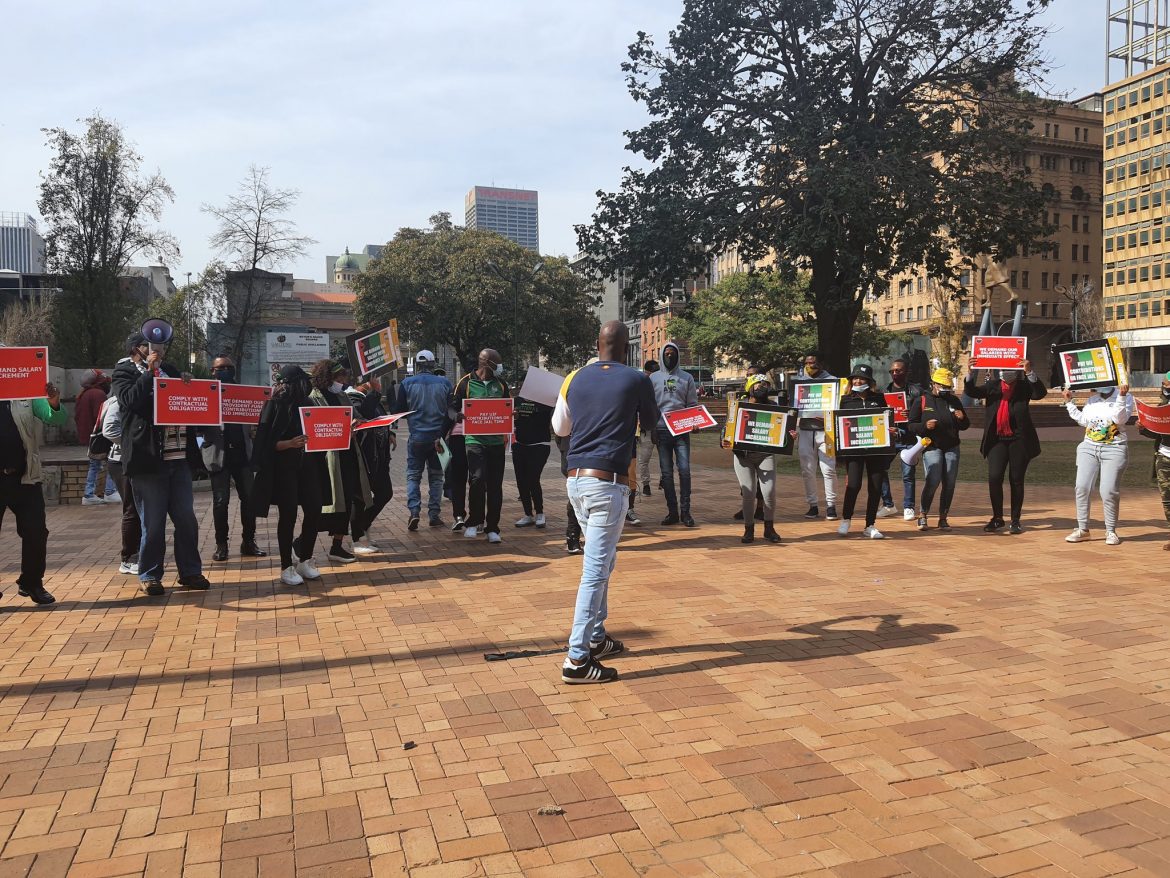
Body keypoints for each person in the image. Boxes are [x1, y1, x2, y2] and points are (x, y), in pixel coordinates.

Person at [554, 320, 658, 683]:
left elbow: (561, 428)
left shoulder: (574, 378)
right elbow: (652, 424)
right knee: (595, 572)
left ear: (596, 344)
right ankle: (577, 659)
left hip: (576, 482)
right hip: (608, 485)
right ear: (626, 349)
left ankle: (596, 638)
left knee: (603, 562)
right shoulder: (637, 379)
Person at [112, 331, 210, 596]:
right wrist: (149, 374)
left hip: (179, 458)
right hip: (149, 461)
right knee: (153, 524)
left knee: (187, 520)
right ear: (137, 349)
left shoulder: (170, 370)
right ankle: (150, 574)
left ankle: (190, 572)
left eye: (162, 345)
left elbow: (191, 401)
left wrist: (188, 384)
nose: (159, 349)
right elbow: (130, 400)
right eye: (151, 345)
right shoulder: (124, 373)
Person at [252, 365, 323, 586]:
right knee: (288, 515)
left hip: (308, 466)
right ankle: (286, 566)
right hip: (283, 469)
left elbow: (320, 430)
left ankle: (305, 560)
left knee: (314, 509)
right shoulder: (274, 404)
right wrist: (289, 444)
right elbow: (264, 443)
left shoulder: (309, 403)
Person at [0, 381, 67, 605]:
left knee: (36, 532)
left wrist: (53, 401)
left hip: (24, 477)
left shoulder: (26, 391)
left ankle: (32, 583)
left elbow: (55, 418)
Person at [965, 359, 1047, 534]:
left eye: (1009, 369)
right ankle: (997, 518)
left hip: (1019, 440)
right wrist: (971, 373)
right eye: (1003, 369)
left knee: (1016, 479)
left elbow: (1039, 393)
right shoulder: (992, 386)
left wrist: (1029, 372)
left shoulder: (1024, 387)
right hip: (997, 440)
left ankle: (1015, 520)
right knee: (994, 477)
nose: (1006, 372)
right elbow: (972, 392)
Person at [202, 356, 265, 562]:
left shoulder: (244, 393)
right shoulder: (206, 392)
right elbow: (196, 423)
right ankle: (221, 545)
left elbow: (257, 417)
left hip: (242, 454)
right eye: (218, 369)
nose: (220, 372)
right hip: (218, 456)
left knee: (250, 500)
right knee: (221, 502)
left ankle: (249, 541)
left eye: (225, 368)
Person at [308, 359, 372, 563]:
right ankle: (301, 543)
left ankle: (337, 545)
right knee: (332, 503)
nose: (343, 381)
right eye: (339, 377)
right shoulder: (313, 398)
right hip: (329, 457)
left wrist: (358, 422)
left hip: (349, 454)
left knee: (350, 500)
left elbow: (357, 416)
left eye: (344, 376)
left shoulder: (343, 396)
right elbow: (314, 425)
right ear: (327, 377)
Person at [450, 349, 509, 543]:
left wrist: (511, 416)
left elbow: (507, 407)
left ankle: (493, 527)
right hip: (474, 441)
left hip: (496, 442)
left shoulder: (501, 385)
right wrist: (456, 416)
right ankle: (474, 521)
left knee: (494, 485)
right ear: (486, 363)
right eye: (498, 363)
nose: (500, 367)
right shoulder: (465, 383)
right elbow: (451, 407)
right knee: (477, 479)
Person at [1064, 383, 1132, 545]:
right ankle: (1082, 529)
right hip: (1089, 447)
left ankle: (1111, 531)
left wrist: (1121, 397)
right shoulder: (1093, 400)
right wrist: (1069, 403)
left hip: (1114, 448)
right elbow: (1084, 421)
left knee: (1108, 491)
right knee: (1082, 487)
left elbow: (1119, 419)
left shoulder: (1126, 397)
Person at [837, 364, 899, 539]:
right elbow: (840, 425)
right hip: (855, 450)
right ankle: (846, 520)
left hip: (876, 449)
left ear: (869, 381)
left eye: (862, 378)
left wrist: (891, 429)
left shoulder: (879, 398)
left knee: (876, 487)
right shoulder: (845, 400)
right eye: (855, 378)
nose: (858, 381)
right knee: (854, 485)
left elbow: (886, 420)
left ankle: (870, 525)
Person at [395, 349, 452, 531]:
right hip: (438, 439)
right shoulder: (445, 383)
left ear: (418, 365)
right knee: (436, 477)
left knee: (413, 475)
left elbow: (401, 410)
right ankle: (434, 515)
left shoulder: (406, 383)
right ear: (432, 363)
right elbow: (451, 411)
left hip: (416, 437)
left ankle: (414, 511)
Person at [906, 368, 969, 531]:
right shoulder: (922, 400)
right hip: (932, 446)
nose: (945, 389)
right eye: (942, 385)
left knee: (949, 483)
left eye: (947, 386)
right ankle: (923, 515)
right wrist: (924, 426)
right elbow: (911, 425)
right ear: (933, 384)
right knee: (933, 480)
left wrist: (962, 419)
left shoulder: (954, 400)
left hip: (952, 447)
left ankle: (943, 518)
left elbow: (965, 425)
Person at [722, 374, 781, 544]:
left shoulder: (774, 406)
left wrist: (790, 435)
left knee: (769, 492)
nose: (762, 387)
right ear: (749, 387)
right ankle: (749, 529)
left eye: (765, 384)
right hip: (743, 456)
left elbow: (782, 429)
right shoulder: (738, 407)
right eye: (757, 384)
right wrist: (726, 439)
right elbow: (727, 429)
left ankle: (769, 529)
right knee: (748, 493)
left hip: (765, 454)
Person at [650, 341, 698, 526]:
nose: (670, 357)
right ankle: (672, 512)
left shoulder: (687, 378)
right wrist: (652, 428)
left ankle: (686, 512)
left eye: (673, 354)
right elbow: (651, 406)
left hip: (681, 429)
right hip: (662, 430)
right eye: (667, 354)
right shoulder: (653, 378)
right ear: (662, 356)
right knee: (667, 474)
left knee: (684, 472)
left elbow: (692, 404)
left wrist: (695, 422)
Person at [347, 378, 395, 552]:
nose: (378, 381)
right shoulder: (352, 398)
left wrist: (391, 433)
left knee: (385, 493)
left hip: (378, 457)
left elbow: (379, 418)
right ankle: (356, 538)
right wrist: (374, 392)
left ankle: (363, 525)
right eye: (373, 379)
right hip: (364, 457)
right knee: (359, 498)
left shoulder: (367, 397)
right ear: (363, 381)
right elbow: (363, 418)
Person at [101, 393, 142, 574]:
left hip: (138, 460)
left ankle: (140, 553)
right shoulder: (119, 401)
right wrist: (135, 443)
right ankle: (129, 558)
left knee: (140, 509)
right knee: (131, 509)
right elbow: (109, 429)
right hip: (121, 461)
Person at [795, 352, 838, 520]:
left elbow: (838, 407)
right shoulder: (800, 383)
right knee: (807, 470)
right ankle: (812, 505)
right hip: (805, 430)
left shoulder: (832, 381)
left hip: (826, 432)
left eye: (813, 363)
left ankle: (831, 505)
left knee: (828, 469)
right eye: (806, 363)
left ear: (821, 364)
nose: (809, 366)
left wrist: (829, 416)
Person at [878, 358, 923, 520]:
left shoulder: (917, 391)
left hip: (908, 438)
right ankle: (888, 505)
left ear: (906, 372)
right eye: (892, 371)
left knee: (908, 475)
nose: (895, 373)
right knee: (879, 469)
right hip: (890, 438)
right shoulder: (884, 392)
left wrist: (910, 414)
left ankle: (909, 507)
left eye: (898, 371)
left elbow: (926, 412)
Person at [75, 369, 119, 506]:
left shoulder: (84, 394)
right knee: (112, 461)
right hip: (99, 436)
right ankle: (109, 492)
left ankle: (90, 493)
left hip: (90, 436)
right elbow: (103, 417)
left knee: (95, 465)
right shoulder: (98, 394)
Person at [512, 396, 553, 527]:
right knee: (521, 480)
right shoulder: (517, 400)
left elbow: (545, 418)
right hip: (520, 444)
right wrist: (515, 417)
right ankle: (528, 514)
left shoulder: (546, 401)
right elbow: (514, 421)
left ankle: (540, 513)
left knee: (533, 478)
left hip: (540, 444)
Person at [1142, 374, 1170, 550]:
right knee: (1167, 499)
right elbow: (1158, 433)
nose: (1165, 387)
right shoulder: (1163, 405)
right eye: (1165, 384)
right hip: (1164, 457)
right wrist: (1144, 429)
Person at [636, 360, 659, 496]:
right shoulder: (643, 384)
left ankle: (649, 484)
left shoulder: (645, 384)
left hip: (650, 428)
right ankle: (647, 485)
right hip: (646, 428)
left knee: (644, 460)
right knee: (643, 460)